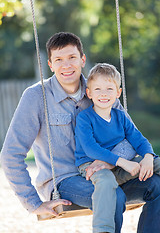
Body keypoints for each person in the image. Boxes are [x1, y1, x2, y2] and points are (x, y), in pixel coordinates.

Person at [0, 32, 160, 233]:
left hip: (110, 172)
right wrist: (33, 203)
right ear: (50, 65)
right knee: (113, 196)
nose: (66, 65)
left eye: (72, 58)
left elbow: (129, 137)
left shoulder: (102, 88)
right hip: (66, 180)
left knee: (157, 184)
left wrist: (112, 161)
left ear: (82, 60)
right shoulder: (35, 97)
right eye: (58, 60)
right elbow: (10, 154)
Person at [74, 63, 160, 233]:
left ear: (118, 93)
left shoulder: (121, 116)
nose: (104, 94)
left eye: (109, 89)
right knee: (106, 181)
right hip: (93, 168)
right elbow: (91, 149)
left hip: (121, 168)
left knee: (157, 164)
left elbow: (139, 140)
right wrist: (122, 162)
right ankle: (104, 230)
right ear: (89, 93)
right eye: (98, 89)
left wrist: (148, 157)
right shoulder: (85, 118)